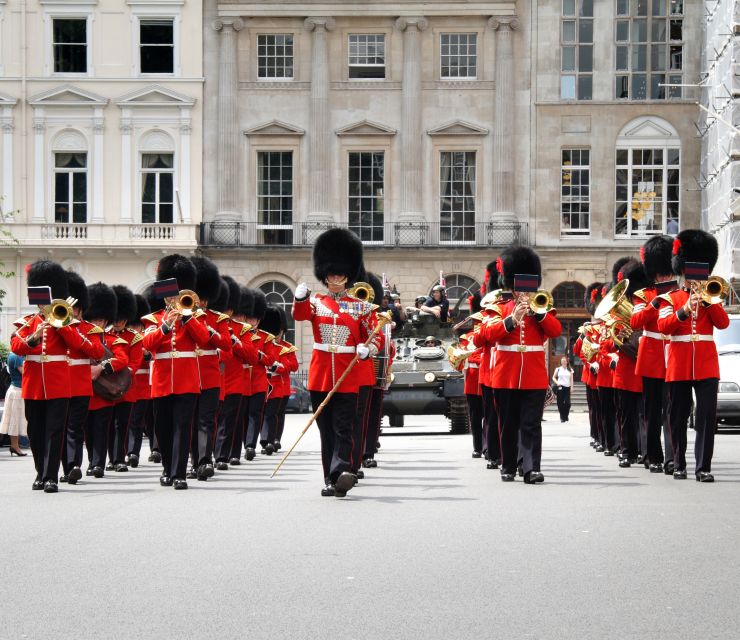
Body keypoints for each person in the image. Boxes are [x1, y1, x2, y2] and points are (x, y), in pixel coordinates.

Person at [293, 227, 381, 497]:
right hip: (321, 374)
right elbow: (299, 315)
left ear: (348, 275)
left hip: (348, 374)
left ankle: (342, 471)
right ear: (325, 274)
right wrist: (298, 298)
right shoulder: (316, 303)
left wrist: (368, 351)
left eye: (341, 273)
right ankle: (330, 479)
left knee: (344, 427)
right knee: (326, 431)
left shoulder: (361, 307)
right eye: (332, 273)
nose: (336, 277)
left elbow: (375, 337)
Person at [472, 246, 562, 484]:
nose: (524, 291)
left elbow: (556, 330)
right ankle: (509, 465)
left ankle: (531, 468)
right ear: (512, 285)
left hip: (533, 375)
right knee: (508, 423)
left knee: (531, 424)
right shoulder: (499, 309)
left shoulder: (541, 308)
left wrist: (539, 314)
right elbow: (480, 337)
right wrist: (512, 320)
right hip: (506, 374)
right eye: (520, 286)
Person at [11, 260, 90, 493]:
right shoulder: (27, 323)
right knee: (35, 432)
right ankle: (40, 473)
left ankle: (51, 477)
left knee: (55, 431)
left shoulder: (67, 322)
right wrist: (35, 336)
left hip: (59, 385)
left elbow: (79, 344)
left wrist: (60, 324)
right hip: (34, 384)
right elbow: (17, 346)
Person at [657, 229, 729, 482]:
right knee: (677, 416)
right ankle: (678, 463)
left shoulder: (712, 296)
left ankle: (703, 467)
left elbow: (723, 324)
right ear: (684, 271)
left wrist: (709, 301)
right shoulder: (671, 298)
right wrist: (686, 309)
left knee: (707, 416)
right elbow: (664, 326)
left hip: (707, 365)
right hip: (679, 364)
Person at [142, 254, 211, 490]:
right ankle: (167, 469)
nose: (174, 299)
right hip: (162, 381)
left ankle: (179, 473)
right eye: (171, 295)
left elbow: (203, 339)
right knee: (163, 428)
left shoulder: (194, 316)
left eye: (177, 294)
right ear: (164, 295)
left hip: (187, 380)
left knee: (183, 427)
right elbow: (148, 344)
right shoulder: (154, 318)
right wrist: (166, 326)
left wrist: (187, 318)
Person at [631, 234, 676, 474]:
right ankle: (653, 456)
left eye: (667, 272)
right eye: (662, 273)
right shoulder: (643, 296)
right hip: (650, 359)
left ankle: (672, 458)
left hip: (673, 358)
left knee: (672, 412)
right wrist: (656, 302)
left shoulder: (680, 293)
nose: (665, 277)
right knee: (651, 412)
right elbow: (636, 320)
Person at [187, 256, 231, 481]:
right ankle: (192, 462)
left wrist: (210, 332)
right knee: (190, 421)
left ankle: (204, 461)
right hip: (187, 376)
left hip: (210, 377)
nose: (201, 302)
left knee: (205, 420)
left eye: (203, 297)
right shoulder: (181, 317)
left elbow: (227, 345)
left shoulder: (217, 319)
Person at [60, 270, 105, 484]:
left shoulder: (90, 329)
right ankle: (63, 466)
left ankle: (73, 465)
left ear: (80, 310)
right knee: (59, 428)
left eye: (75, 309)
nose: (73, 312)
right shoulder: (55, 328)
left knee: (75, 428)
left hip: (79, 384)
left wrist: (74, 331)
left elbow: (96, 352)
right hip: (58, 383)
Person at [1, 350, 27, 456]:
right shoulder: (17, 356)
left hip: (15, 389)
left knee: (14, 419)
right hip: (18, 391)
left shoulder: (12, 355)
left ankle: (15, 446)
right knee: (15, 420)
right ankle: (15, 446)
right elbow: (25, 372)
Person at [551, 356, 573, 423]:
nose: (563, 362)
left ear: (567, 362)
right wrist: (557, 382)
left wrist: (572, 387)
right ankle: (562, 417)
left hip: (567, 387)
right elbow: (553, 377)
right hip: (560, 387)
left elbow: (571, 379)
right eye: (562, 361)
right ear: (561, 362)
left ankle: (566, 415)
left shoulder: (570, 369)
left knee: (568, 403)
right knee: (560, 403)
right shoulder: (558, 369)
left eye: (564, 361)